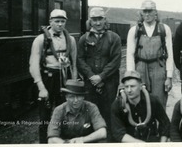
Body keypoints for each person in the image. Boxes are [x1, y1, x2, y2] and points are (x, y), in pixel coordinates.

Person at [29, 9, 78, 143]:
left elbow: (74, 64)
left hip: (64, 79)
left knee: (65, 115)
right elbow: (33, 64)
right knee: (45, 117)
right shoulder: (41, 39)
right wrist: (41, 87)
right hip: (47, 78)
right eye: (57, 21)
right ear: (50, 22)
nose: (60, 24)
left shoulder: (71, 40)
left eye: (63, 21)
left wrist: (73, 85)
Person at [77, 7, 121, 140]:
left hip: (109, 82)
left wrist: (101, 76)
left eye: (100, 19)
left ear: (105, 20)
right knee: (91, 109)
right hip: (90, 83)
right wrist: (91, 76)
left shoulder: (114, 38)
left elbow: (115, 61)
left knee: (109, 110)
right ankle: (92, 138)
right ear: (90, 21)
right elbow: (80, 60)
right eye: (94, 20)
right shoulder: (84, 39)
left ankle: (110, 139)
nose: (97, 23)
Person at [126, 0, 174, 108]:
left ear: (155, 12)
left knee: (159, 102)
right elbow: (130, 55)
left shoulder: (164, 29)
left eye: (150, 11)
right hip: (140, 68)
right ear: (141, 13)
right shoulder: (135, 30)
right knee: (140, 101)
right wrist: (131, 75)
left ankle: (161, 124)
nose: (147, 14)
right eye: (145, 11)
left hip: (158, 68)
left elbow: (170, 54)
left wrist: (169, 77)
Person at [111, 70, 170, 142]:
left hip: (150, 140)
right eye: (126, 87)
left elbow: (165, 123)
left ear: (140, 86)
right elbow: (118, 133)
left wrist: (162, 143)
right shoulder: (118, 105)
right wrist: (141, 144)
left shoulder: (152, 101)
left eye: (132, 86)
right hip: (129, 142)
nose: (129, 90)